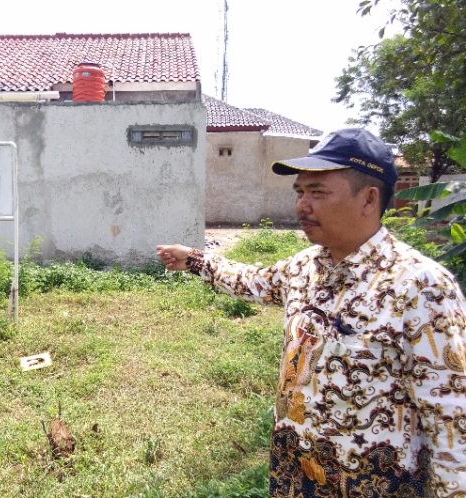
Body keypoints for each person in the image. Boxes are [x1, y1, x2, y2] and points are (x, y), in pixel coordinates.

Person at [157, 128, 466, 497]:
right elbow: (252, 281)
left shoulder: (421, 287)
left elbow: (452, 418)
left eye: (317, 193)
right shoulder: (306, 267)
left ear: (369, 199)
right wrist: (192, 259)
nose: (302, 205)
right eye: (300, 192)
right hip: (293, 475)